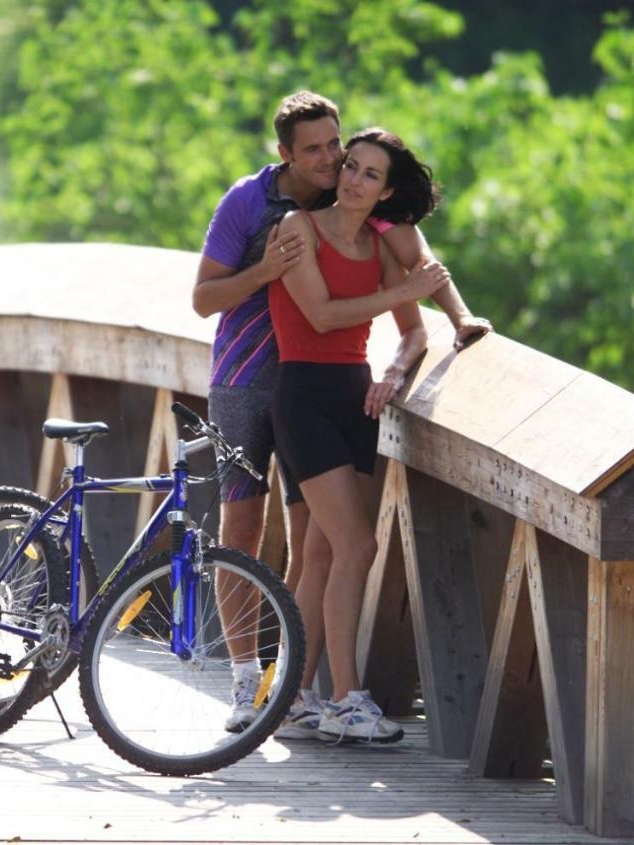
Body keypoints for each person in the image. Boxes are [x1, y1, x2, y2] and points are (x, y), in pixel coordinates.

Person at [192, 91, 490, 734]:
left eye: (340, 147)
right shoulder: (258, 207)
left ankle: (293, 693)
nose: (335, 163)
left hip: (344, 390)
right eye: (322, 152)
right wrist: (267, 268)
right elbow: (205, 300)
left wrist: (443, 329)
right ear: (286, 155)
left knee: (318, 550)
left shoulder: (374, 231)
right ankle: (252, 687)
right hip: (248, 381)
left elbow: (417, 266)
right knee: (245, 529)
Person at [271, 127, 447, 742]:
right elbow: (319, 316)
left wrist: (395, 373)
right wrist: (401, 292)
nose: (352, 179)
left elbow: (415, 332)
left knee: (325, 554)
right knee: (358, 548)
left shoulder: (379, 247)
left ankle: (292, 698)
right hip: (302, 398)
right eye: (351, 166)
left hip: (356, 397)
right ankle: (345, 700)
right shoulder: (299, 228)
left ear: (386, 191)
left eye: (371, 174)